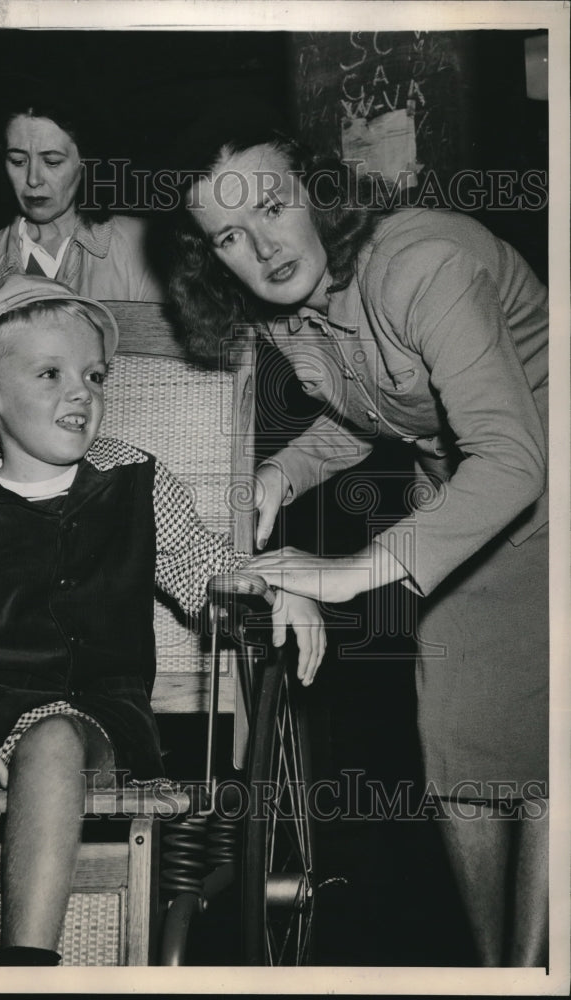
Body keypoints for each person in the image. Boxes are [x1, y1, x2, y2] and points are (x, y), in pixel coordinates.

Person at [0, 274, 325, 967]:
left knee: (52, 741)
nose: (82, 392)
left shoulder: (135, 478)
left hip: (88, 722)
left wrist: (273, 586)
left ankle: (26, 969)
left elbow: (201, 567)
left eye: (94, 374)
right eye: (50, 372)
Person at [169, 124, 549, 967]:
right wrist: (279, 478)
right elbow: (370, 413)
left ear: (319, 193)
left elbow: (517, 459)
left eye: (272, 206)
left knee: (546, 762)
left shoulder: (424, 262)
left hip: (542, 495)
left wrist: (350, 573)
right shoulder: (287, 308)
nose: (261, 248)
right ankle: (496, 972)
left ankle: (530, 979)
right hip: (458, 517)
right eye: (229, 237)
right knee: (460, 755)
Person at [0, 96, 163, 342]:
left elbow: (159, 370)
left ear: (85, 162)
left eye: (52, 162)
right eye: (18, 161)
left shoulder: (142, 246)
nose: (33, 179)